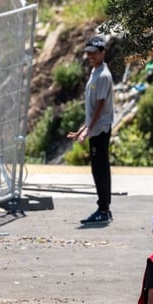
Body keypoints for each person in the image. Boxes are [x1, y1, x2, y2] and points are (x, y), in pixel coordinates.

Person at [67, 34, 115, 225]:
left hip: (100, 130)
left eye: (94, 53)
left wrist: (89, 129)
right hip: (95, 128)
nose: (90, 56)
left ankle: (103, 209)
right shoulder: (96, 71)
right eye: (88, 53)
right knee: (99, 169)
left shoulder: (103, 75)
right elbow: (93, 108)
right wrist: (82, 128)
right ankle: (104, 208)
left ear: (103, 52)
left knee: (100, 170)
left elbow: (101, 106)